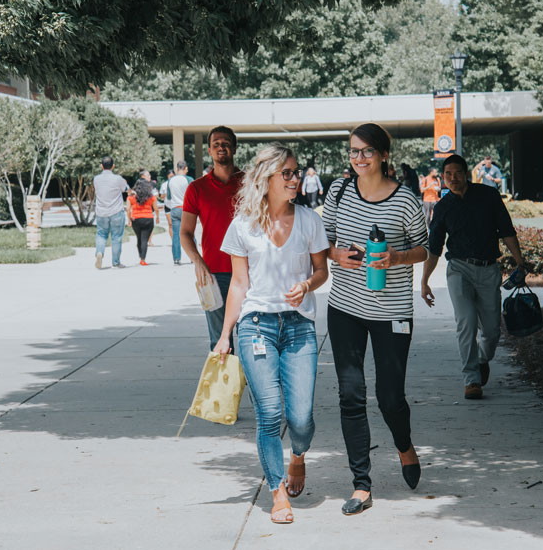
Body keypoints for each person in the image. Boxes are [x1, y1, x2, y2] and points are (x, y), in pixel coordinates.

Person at [215, 144, 329, 524]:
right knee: (269, 413)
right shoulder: (243, 225)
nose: (296, 179)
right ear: (267, 179)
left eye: (297, 173)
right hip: (255, 326)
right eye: (288, 173)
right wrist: (225, 334)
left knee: (301, 419)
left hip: (299, 327)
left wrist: (307, 286)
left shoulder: (310, 220)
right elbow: (238, 284)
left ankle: (297, 455)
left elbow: (321, 271)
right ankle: (277, 490)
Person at [322, 123, 429, 515]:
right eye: (354, 151)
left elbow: (424, 248)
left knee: (388, 397)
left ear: (384, 154)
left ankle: (404, 444)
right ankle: (361, 485)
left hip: (393, 312)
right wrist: (337, 255)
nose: (360, 158)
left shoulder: (406, 201)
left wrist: (396, 257)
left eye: (367, 151)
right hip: (345, 308)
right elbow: (325, 241)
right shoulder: (338, 190)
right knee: (350, 394)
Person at [421, 154, 526, 400]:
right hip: (459, 270)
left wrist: (520, 261)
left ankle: (481, 360)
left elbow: (507, 230)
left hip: (489, 270)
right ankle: (471, 379)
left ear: (467, 173)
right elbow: (434, 248)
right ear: (443, 178)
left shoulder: (488, 197)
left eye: (457, 173)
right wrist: (424, 281)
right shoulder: (443, 207)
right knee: (466, 321)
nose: (453, 178)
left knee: (491, 331)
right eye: (448, 174)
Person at [181, 126, 243, 351]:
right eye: (216, 144)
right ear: (209, 150)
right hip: (214, 274)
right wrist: (198, 262)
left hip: (250, 272)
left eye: (226, 143)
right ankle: (225, 388)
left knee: (252, 340)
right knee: (220, 343)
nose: (221, 147)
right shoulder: (197, 188)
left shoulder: (251, 184)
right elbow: (185, 232)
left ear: (234, 148)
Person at [93, 155, 129, 269]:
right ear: (113, 166)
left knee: (101, 235)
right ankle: (116, 262)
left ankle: (99, 252)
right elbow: (126, 189)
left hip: (101, 212)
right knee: (116, 237)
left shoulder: (96, 179)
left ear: (101, 166)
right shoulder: (118, 179)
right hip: (116, 211)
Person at [126, 179, 159, 266]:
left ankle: (141, 255)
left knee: (139, 238)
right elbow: (156, 208)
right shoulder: (151, 196)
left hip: (135, 219)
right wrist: (157, 217)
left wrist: (129, 219)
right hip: (148, 219)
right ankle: (142, 259)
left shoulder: (131, 197)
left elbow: (128, 209)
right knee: (144, 239)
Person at [168, 161, 194, 265]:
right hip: (186, 209)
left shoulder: (170, 180)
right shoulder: (188, 180)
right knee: (190, 234)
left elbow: (169, 197)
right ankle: (193, 256)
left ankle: (176, 258)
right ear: (185, 168)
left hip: (174, 209)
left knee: (176, 235)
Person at [138, 169, 158, 247]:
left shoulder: (152, 184)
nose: (150, 176)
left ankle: (149, 241)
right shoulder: (138, 184)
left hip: (150, 208)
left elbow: (156, 195)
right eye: (148, 175)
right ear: (143, 176)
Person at [159, 168, 175, 240]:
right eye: (170, 176)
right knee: (170, 224)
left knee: (178, 225)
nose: (171, 178)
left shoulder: (177, 184)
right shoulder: (164, 185)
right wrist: (166, 194)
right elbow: (161, 196)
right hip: (168, 206)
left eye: (173, 176)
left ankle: (178, 240)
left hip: (176, 206)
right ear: (167, 176)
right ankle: (173, 240)